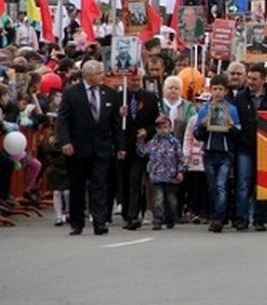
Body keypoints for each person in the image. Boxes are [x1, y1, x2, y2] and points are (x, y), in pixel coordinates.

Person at [57, 60, 123, 235]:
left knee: (99, 185)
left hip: (101, 147)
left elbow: (115, 124)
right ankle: (77, 223)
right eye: (100, 73)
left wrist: (119, 146)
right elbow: (63, 120)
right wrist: (65, 141)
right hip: (78, 148)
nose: (103, 76)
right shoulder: (71, 93)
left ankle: (100, 222)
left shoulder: (110, 94)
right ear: (88, 75)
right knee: (77, 186)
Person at [231, 63, 267, 231]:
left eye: (255, 79)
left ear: (263, 80)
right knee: (243, 184)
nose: (251, 82)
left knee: (263, 185)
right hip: (245, 147)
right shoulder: (240, 98)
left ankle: (260, 219)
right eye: (249, 78)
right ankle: (241, 218)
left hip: (266, 147)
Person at [193, 74, 241, 233]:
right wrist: (203, 125)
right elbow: (198, 135)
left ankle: (219, 217)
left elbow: (238, 134)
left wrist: (231, 126)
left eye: (221, 89)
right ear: (210, 90)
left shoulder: (232, 110)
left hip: (225, 152)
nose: (218, 92)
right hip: (209, 151)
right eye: (215, 89)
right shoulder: (205, 109)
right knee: (212, 186)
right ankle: (215, 215)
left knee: (221, 186)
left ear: (226, 91)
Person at [118, 75, 160, 230]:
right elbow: (114, 123)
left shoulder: (149, 98)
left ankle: (133, 215)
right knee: (124, 180)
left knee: (135, 180)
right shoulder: (120, 98)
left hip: (141, 146)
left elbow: (156, 122)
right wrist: (119, 113)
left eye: (137, 80)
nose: (134, 83)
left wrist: (147, 131)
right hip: (124, 145)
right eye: (131, 80)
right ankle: (126, 212)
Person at [136, 115, 184, 230]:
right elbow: (142, 152)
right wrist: (140, 140)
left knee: (171, 200)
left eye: (165, 127)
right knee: (158, 199)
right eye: (160, 128)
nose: (163, 130)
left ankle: (171, 217)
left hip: (170, 176)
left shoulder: (174, 142)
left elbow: (181, 158)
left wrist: (180, 171)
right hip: (156, 176)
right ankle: (158, 219)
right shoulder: (153, 142)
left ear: (170, 128)